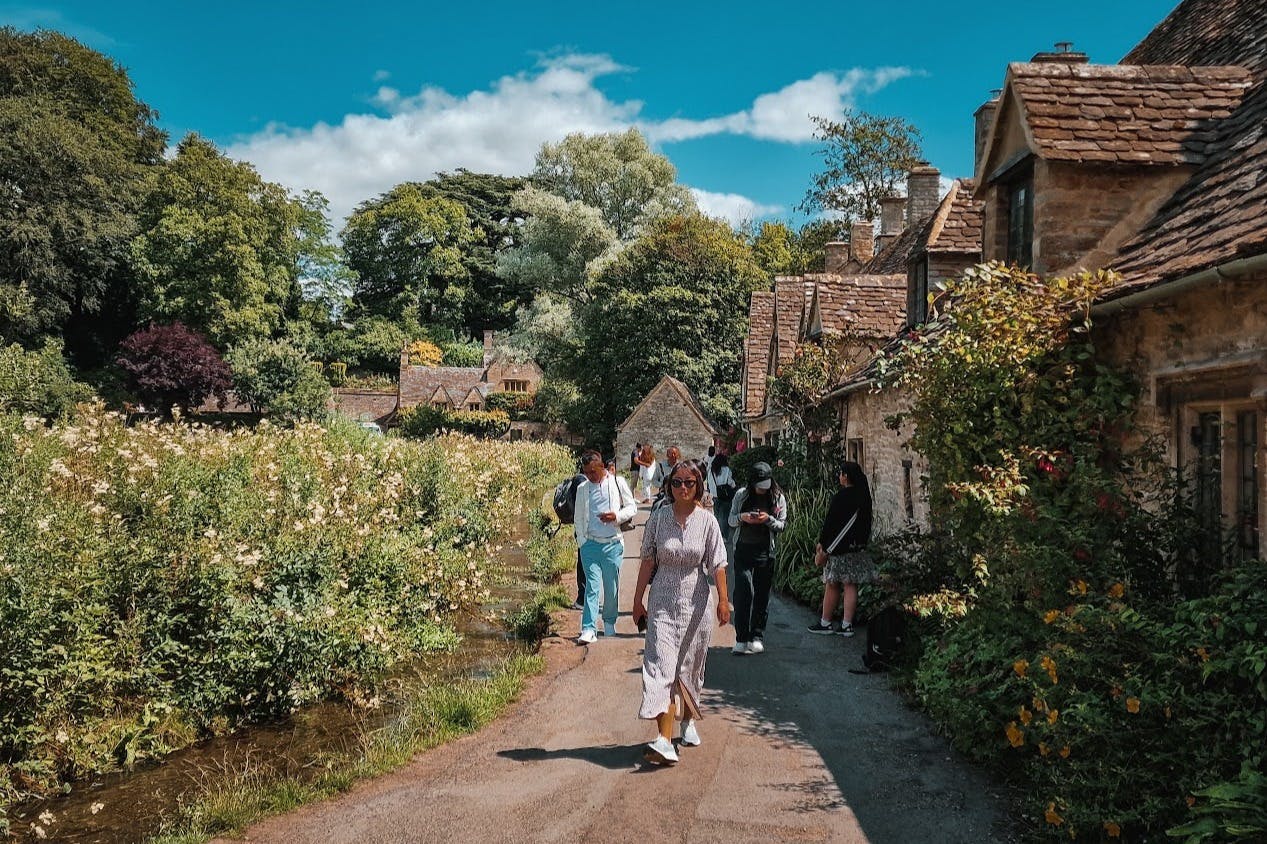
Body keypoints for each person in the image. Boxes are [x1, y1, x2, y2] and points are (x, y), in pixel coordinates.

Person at [632, 460, 729, 765]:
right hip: (662, 601)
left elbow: (718, 564)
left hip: (696, 603)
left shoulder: (707, 521)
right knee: (662, 668)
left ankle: (687, 721)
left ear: (698, 485)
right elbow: (647, 560)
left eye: (689, 482)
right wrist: (638, 601)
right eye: (677, 483)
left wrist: (723, 601)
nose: (683, 488)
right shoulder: (659, 519)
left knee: (690, 667)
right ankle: (663, 738)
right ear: (669, 485)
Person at [573, 450, 638, 643]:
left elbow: (632, 507)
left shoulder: (618, 483)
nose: (590, 476)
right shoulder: (583, 488)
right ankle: (588, 628)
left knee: (611, 588)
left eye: (593, 471)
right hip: (590, 545)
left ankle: (609, 622)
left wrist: (616, 517)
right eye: (587, 472)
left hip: (613, 544)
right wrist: (582, 543)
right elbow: (578, 517)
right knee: (591, 587)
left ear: (602, 466)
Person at [727, 461, 787, 655]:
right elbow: (730, 519)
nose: (763, 490)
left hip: (765, 552)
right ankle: (741, 638)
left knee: (762, 595)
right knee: (744, 592)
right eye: (759, 486)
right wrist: (743, 517)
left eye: (766, 486)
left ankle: (757, 636)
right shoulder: (741, 495)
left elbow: (782, 525)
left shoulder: (777, 497)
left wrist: (767, 519)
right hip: (743, 549)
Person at [809, 461, 876, 637]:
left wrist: (822, 543)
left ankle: (826, 622)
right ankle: (847, 625)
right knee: (850, 584)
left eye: (841, 473)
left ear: (846, 476)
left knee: (832, 584)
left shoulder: (842, 496)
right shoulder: (864, 496)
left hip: (838, 547)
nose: (839, 476)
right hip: (856, 547)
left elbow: (831, 522)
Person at [705, 453, 736, 547]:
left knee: (717, 515)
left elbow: (708, 482)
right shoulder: (726, 470)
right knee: (724, 516)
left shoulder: (710, 469)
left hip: (714, 495)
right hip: (725, 495)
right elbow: (730, 482)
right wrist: (734, 486)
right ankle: (723, 536)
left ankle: (715, 535)